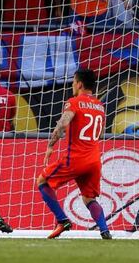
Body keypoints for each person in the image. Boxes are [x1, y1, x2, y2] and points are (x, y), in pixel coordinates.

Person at [36, 68, 112, 239]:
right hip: (94, 160)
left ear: (79, 84)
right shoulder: (100, 106)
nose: (72, 85)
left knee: (42, 181)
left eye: (73, 82)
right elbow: (99, 134)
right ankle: (104, 230)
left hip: (76, 158)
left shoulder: (74, 102)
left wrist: (50, 146)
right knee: (88, 198)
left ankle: (62, 220)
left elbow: (63, 123)